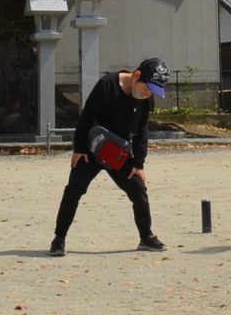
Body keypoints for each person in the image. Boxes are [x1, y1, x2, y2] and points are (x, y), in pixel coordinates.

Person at [49, 57, 170, 256]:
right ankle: (59, 239)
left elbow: (141, 131)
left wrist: (138, 163)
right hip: (91, 148)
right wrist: (78, 148)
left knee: (138, 189)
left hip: (118, 153)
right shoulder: (107, 85)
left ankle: (146, 237)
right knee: (74, 189)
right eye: (147, 88)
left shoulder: (145, 100)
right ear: (137, 75)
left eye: (153, 91)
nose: (148, 93)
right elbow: (86, 115)